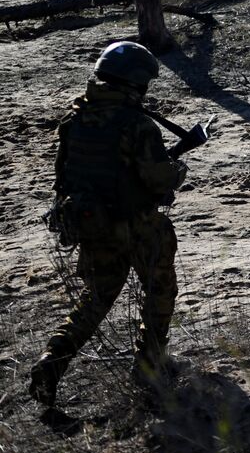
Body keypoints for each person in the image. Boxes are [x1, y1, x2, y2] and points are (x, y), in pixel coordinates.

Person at [30, 42, 187, 407]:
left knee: (96, 299)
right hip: (138, 227)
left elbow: (63, 179)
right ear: (136, 83)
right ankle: (149, 367)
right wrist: (176, 171)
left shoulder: (73, 120)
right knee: (159, 293)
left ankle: (51, 363)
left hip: (92, 226)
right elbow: (157, 179)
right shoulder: (137, 124)